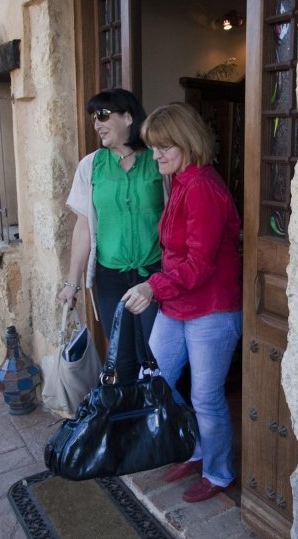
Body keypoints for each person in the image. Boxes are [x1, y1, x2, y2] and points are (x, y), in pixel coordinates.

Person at [121, 102, 242, 504]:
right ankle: (193, 449)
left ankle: (219, 472)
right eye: (153, 148)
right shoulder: (181, 181)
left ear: (187, 143)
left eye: (163, 147)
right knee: (157, 380)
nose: (155, 155)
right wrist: (159, 287)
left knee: (206, 397)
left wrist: (152, 287)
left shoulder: (203, 186)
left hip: (212, 308)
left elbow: (200, 265)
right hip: (178, 304)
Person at [60, 89, 165, 384]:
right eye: (94, 118)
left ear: (128, 117)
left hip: (154, 276)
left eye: (104, 115)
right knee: (120, 357)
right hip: (110, 278)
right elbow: (83, 226)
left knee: (156, 354)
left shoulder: (158, 160)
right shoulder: (91, 165)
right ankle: (126, 420)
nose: (97, 123)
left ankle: (156, 421)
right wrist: (71, 283)